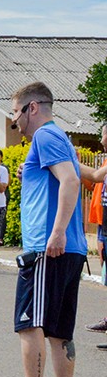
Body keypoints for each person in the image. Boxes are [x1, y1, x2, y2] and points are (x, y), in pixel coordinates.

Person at [0, 82, 86, 377]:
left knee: (30, 323)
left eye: (16, 113)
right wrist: (29, 172)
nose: (15, 122)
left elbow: (71, 181)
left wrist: (56, 231)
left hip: (48, 247)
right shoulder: (57, 140)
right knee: (60, 329)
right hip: (69, 249)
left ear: (32, 107)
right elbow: (78, 175)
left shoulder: (46, 136)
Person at [82, 124, 107, 342]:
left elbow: (97, 177)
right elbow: (94, 183)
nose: (101, 139)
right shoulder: (105, 161)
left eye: (104, 134)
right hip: (102, 224)